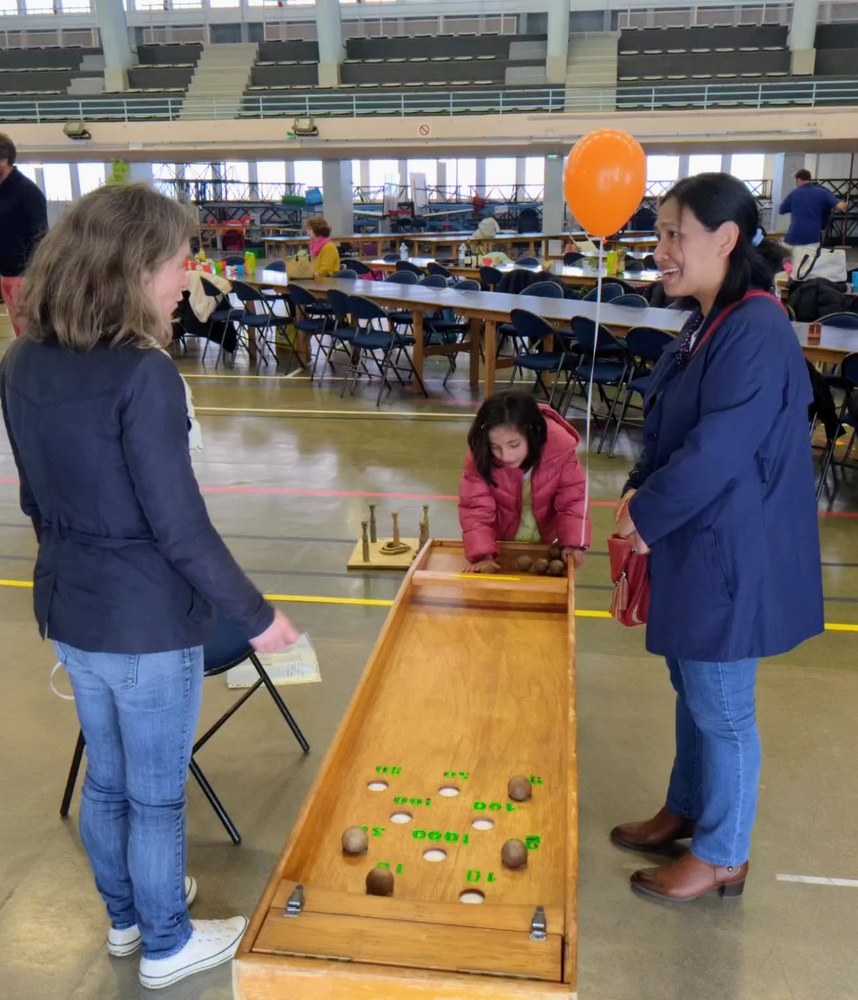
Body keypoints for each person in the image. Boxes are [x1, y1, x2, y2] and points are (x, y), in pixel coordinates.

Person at [0, 183, 300, 989]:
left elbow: (35, 503)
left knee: (108, 779)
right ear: (132, 269)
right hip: (146, 623)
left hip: (70, 608)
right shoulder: (145, 374)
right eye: (177, 262)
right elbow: (180, 527)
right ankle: (168, 941)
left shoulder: (21, 359)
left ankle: (129, 915)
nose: (185, 279)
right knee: (157, 796)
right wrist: (257, 615)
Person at [611, 172, 824, 903]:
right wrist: (640, 485)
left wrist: (647, 513)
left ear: (727, 239)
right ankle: (688, 807)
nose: (661, 250)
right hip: (694, 543)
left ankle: (724, 854)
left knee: (724, 710)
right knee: (692, 688)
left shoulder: (756, 329)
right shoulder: (708, 321)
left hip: (730, 555)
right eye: (660, 234)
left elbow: (718, 450)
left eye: (676, 234)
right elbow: (672, 422)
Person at [459, 391, 591, 572]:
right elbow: (475, 508)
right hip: (499, 542)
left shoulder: (560, 448)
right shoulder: (481, 455)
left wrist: (573, 544)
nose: (506, 456)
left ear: (532, 432)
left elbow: (573, 500)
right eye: (495, 447)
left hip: (544, 540)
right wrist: (483, 554)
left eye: (514, 445)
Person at [0, 132, 48, 338]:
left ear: (4, 160)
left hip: (26, 277)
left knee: (31, 335)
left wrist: (35, 277)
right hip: (7, 275)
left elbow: (41, 237)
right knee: (21, 334)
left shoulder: (27, 191)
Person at [779, 168, 847, 246]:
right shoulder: (822, 192)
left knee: (784, 247)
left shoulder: (794, 194)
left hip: (794, 238)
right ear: (809, 179)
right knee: (812, 253)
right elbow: (841, 206)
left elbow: (781, 210)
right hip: (813, 239)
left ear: (798, 180)